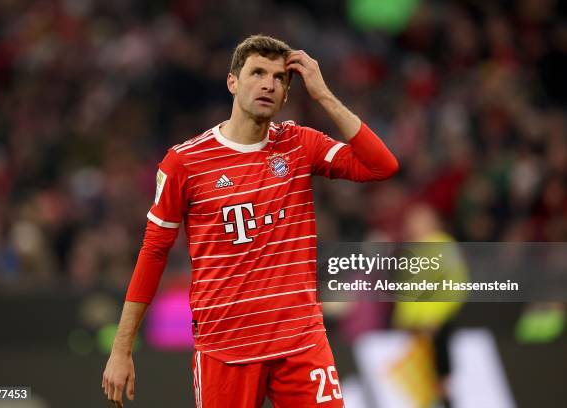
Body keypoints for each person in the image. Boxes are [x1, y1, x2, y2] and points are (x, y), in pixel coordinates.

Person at [102, 34, 398, 407]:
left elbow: (382, 165)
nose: (268, 84)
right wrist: (121, 348)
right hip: (225, 350)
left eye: (278, 78)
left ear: (287, 94)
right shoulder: (185, 163)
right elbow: (153, 252)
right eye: (257, 72)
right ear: (232, 82)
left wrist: (323, 95)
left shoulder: (299, 143)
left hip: (301, 344)